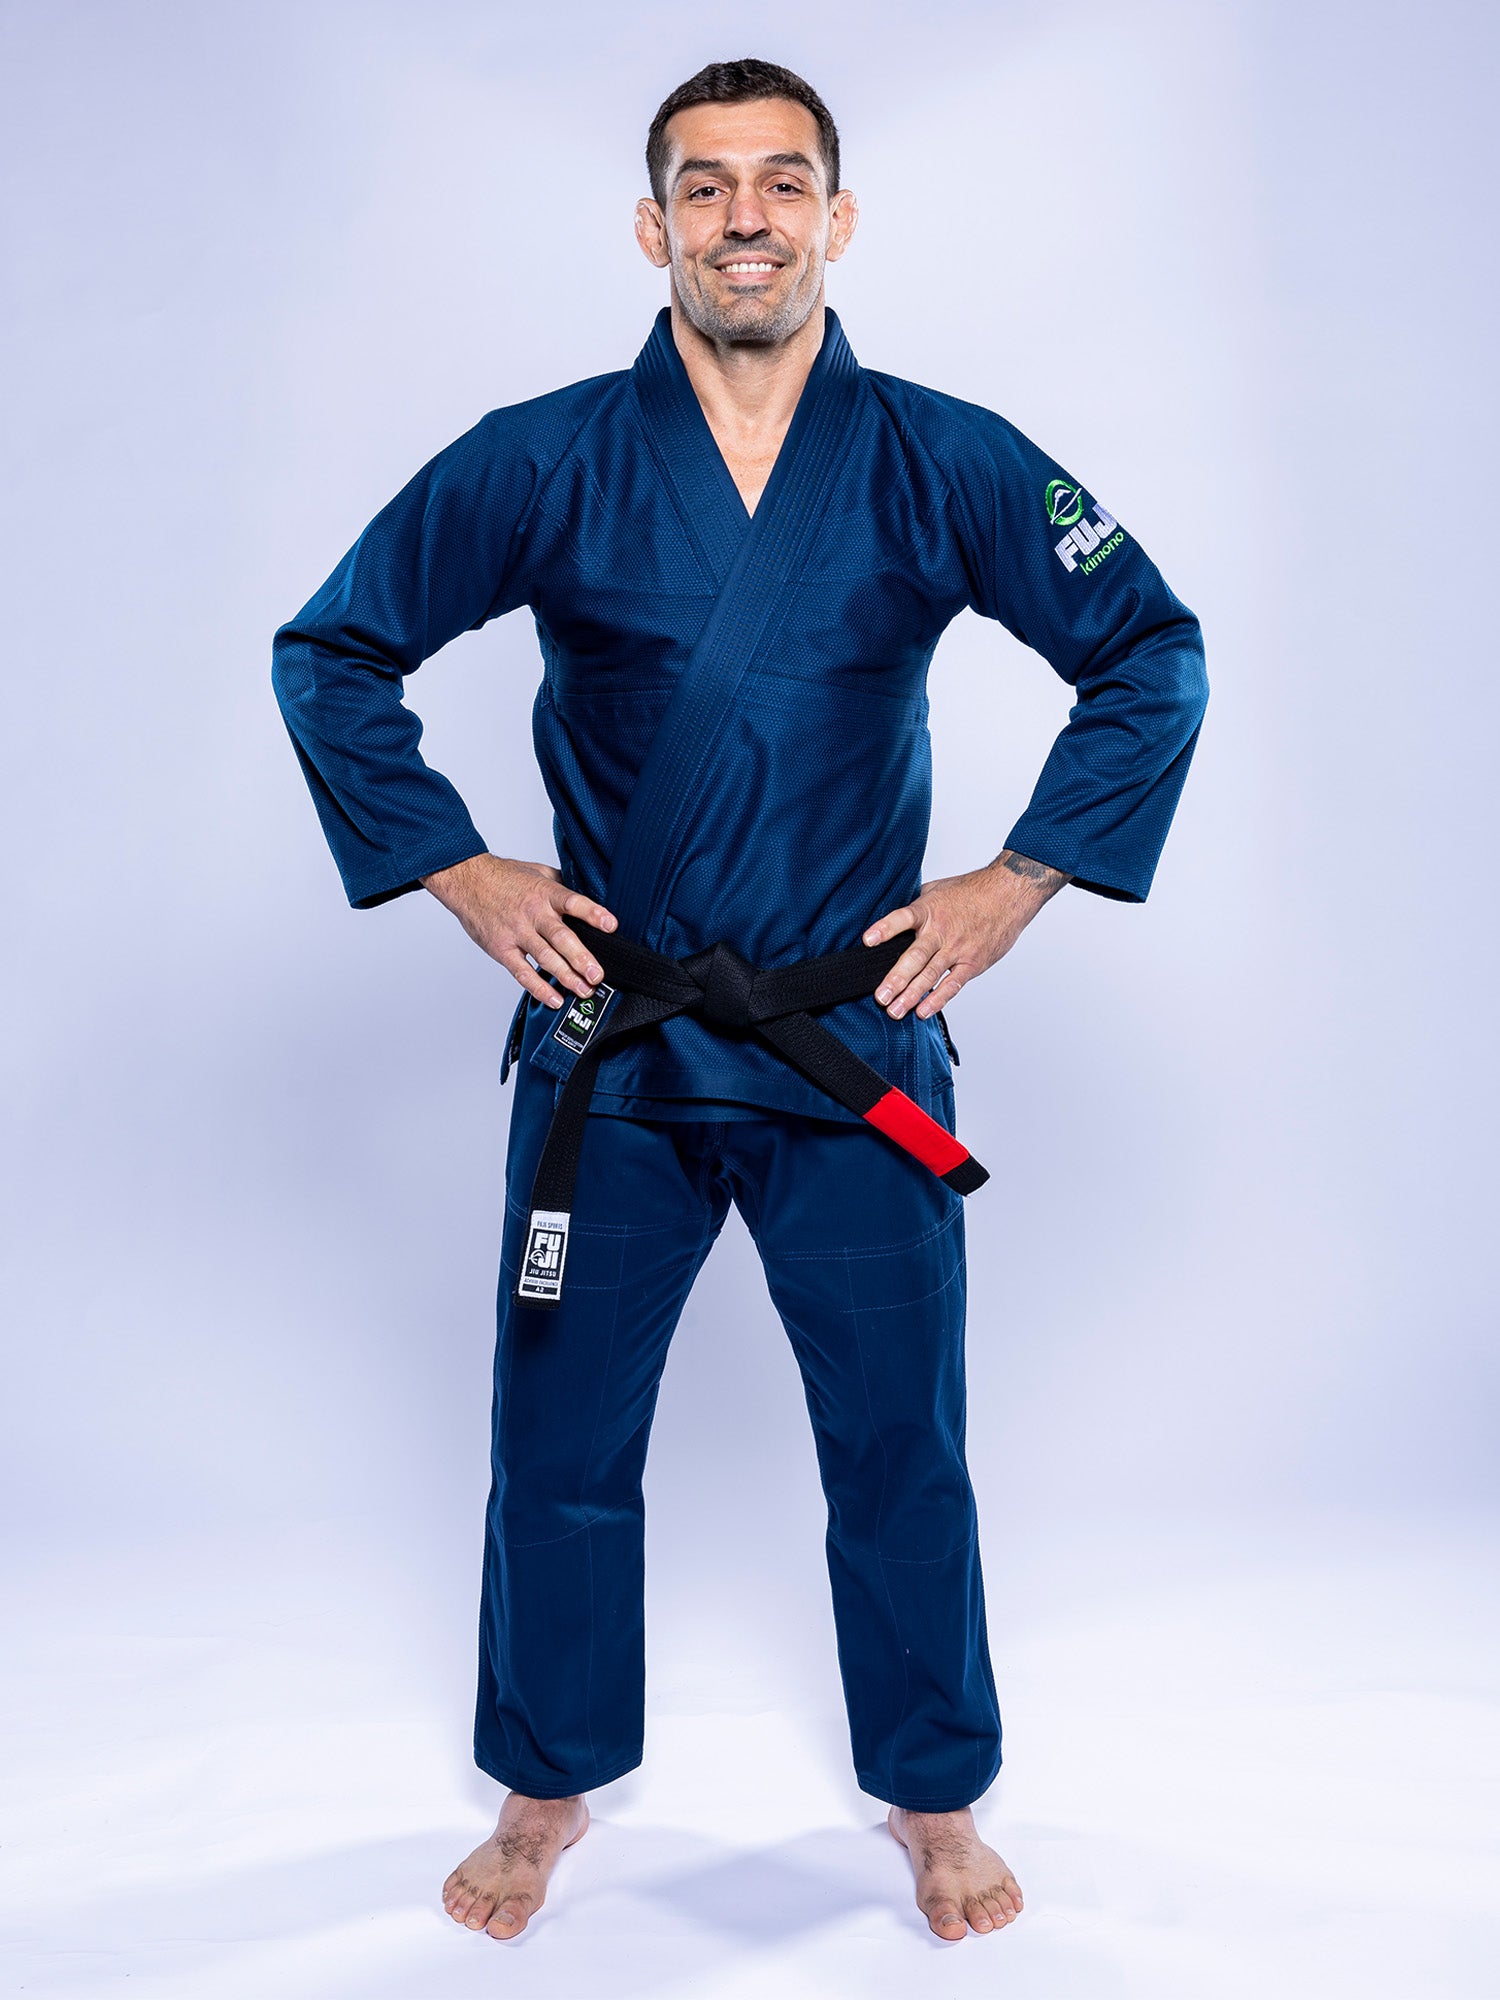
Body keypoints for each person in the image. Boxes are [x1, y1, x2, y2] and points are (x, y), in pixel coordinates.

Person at [271, 56, 1208, 1944]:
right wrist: (461, 866)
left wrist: (1018, 881)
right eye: (706, 189)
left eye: (785, 183)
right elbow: (332, 650)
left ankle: (933, 1797)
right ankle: (544, 1791)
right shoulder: (542, 454)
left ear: (840, 220)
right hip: (608, 1057)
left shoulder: (941, 454)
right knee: (556, 1444)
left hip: (849, 1049)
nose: (748, 217)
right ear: (656, 229)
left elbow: (1150, 653)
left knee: (896, 1444)